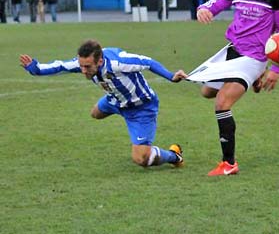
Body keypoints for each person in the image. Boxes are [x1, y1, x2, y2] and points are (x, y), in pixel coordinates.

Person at [189, 0, 279, 176]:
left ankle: (229, 164)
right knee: (206, 92)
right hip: (231, 51)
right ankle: (252, 81)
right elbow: (212, 5)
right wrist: (202, 10)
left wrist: (276, 68)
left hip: (254, 58)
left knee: (222, 103)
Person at [20, 39, 187, 168]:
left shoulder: (119, 62)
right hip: (115, 101)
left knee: (141, 159)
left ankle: (174, 155)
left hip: (141, 108)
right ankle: (117, 109)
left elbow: (149, 62)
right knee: (95, 113)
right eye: (81, 66)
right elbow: (61, 66)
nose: (83, 71)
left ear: (99, 61)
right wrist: (36, 69)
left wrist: (171, 76)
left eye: (87, 67)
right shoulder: (84, 63)